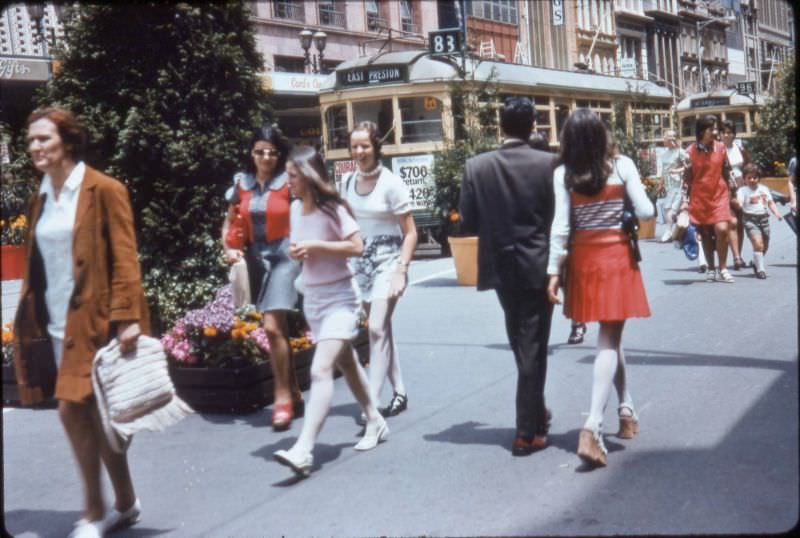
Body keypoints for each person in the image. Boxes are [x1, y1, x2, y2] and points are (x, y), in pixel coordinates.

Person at [13, 107, 148, 537]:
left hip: (96, 322)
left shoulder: (103, 189)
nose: (35, 147)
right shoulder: (40, 197)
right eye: (31, 140)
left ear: (67, 142)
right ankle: (125, 502)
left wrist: (128, 318)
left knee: (73, 410)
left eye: (44, 139)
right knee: (95, 415)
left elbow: (126, 257)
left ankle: (93, 511)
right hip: (54, 324)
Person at [546, 109, 653, 467]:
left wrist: (553, 272)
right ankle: (592, 424)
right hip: (617, 258)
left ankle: (627, 409)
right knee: (609, 337)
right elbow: (647, 210)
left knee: (611, 333)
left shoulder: (564, 174)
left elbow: (560, 228)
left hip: (584, 261)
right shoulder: (622, 167)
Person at [273, 146, 387, 477]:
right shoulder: (295, 210)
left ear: (308, 176)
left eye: (292, 176)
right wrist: (299, 253)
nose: (288, 182)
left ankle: (304, 450)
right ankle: (375, 419)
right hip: (314, 300)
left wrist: (316, 247)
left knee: (321, 370)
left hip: (340, 298)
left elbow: (356, 246)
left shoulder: (332, 207)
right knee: (347, 361)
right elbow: (303, 251)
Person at [459, 96, 555, 456]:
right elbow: (557, 219)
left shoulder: (476, 166)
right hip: (538, 264)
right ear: (532, 124)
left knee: (520, 340)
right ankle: (527, 431)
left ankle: (536, 413)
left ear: (500, 127)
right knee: (532, 345)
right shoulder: (549, 163)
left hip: (499, 265)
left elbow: (466, 221)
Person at [221, 125, 303, 431]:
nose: (266, 157)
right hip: (256, 259)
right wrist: (232, 247)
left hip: (284, 256)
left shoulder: (288, 182)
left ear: (278, 154)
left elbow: (306, 212)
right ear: (251, 153)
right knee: (277, 328)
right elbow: (234, 220)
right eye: (260, 151)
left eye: (271, 152)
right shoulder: (241, 183)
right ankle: (294, 392)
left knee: (271, 326)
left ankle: (281, 398)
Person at [341, 121, 417, 419]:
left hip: (389, 261)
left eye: (365, 146)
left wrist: (402, 268)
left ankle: (370, 403)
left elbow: (410, 232)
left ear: (376, 148)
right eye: (355, 146)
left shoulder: (391, 183)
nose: (360, 152)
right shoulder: (347, 183)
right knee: (381, 328)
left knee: (375, 328)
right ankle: (400, 391)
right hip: (360, 264)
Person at [530, 131, 586, 344]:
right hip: (552, 233)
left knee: (564, 279)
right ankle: (577, 323)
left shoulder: (558, 171)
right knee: (566, 281)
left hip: (553, 233)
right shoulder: (556, 169)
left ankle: (577, 323)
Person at [683, 115, 737, 283]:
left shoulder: (721, 148)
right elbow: (687, 178)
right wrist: (685, 200)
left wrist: (732, 191)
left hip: (719, 194)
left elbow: (726, 170)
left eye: (716, 129)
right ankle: (711, 268)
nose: (715, 132)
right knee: (706, 233)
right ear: (701, 131)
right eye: (711, 129)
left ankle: (723, 267)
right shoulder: (690, 151)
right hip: (700, 197)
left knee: (722, 229)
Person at [736, 163, 783, 279]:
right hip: (750, 219)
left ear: (759, 178)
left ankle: (756, 261)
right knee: (758, 244)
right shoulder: (742, 191)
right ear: (744, 179)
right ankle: (760, 270)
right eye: (749, 178)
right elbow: (740, 202)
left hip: (764, 219)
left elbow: (770, 202)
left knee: (764, 246)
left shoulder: (764, 189)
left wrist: (776, 213)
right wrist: (739, 204)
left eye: (755, 177)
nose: (752, 180)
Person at [720, 120, 749, 269]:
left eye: (729, 132)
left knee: (740, 222)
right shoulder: (718, 150)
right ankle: (736, 257)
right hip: (725, 189)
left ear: (734, 134)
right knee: (732, 222)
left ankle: (739, 255)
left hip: (741, 187)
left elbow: (748, 168)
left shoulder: (740, 149)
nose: (727, 135)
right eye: (724, 132)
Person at [657, 129, 689, 243]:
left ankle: (669, 231)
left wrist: (677, 170)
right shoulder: (664, 153)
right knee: (670, 209)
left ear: (672, 139)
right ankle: (675, 230)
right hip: (668, 184)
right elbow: (664, 171)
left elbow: (689, 166)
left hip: (678, 184)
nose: (663, 139)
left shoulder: (680, 152)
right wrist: (661, 184)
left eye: (666, 137)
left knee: (669, 208)